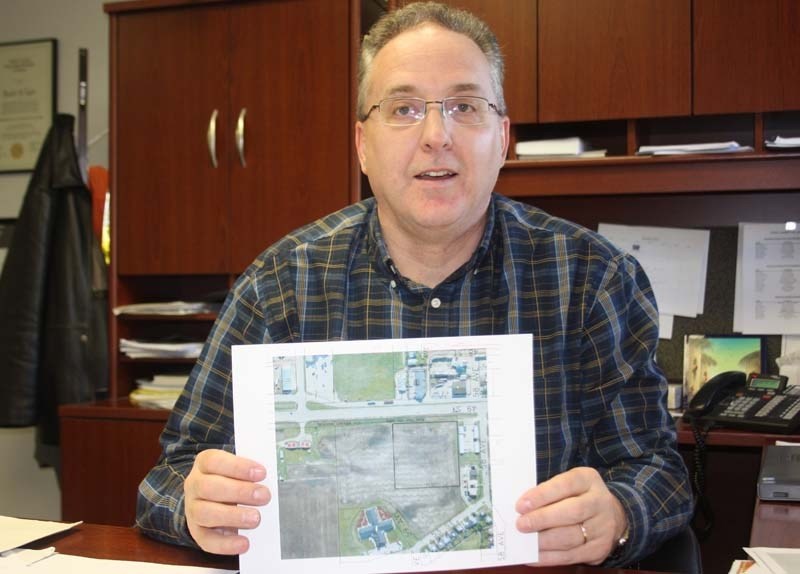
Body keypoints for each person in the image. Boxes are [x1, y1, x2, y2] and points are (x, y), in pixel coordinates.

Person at [136, 1, 692, 567]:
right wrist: (196, 504)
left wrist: (619, 514)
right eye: (403, 108)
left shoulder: (592, 279)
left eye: (464, 106)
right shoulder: (281, 283)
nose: (436, 135)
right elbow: (166, 479)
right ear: (362, 145)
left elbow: (660, 472)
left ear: (502, 139)